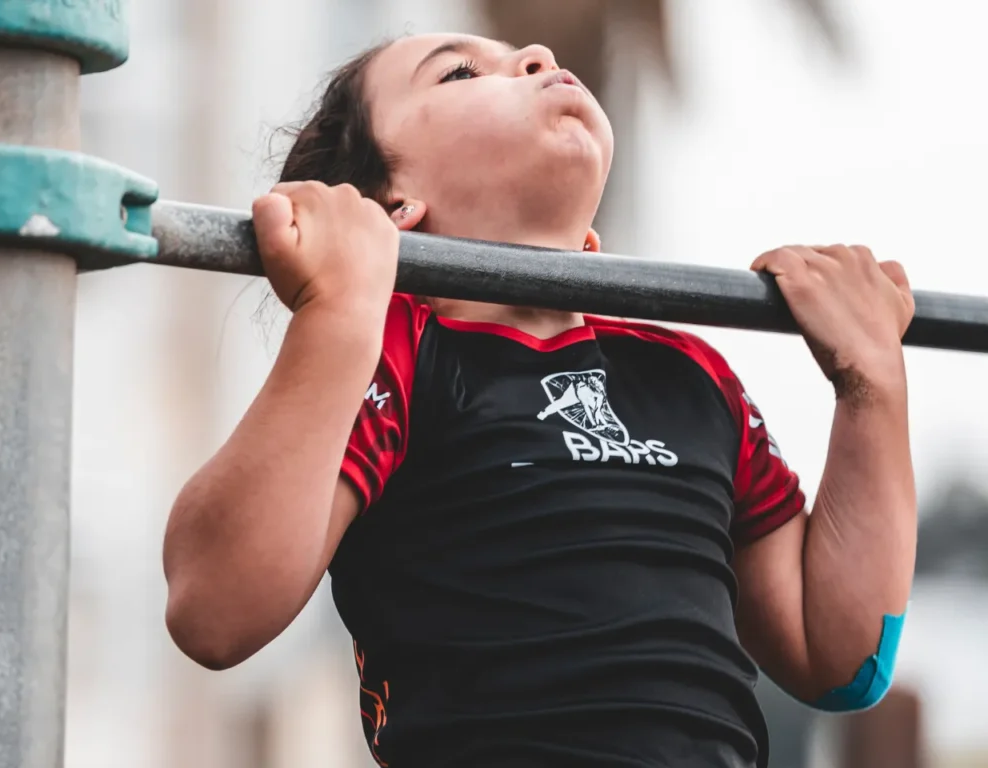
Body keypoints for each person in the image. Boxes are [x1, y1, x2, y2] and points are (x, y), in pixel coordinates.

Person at [161, 33, 917, 768]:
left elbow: (840, 661)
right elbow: (213, 612)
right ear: (391, 208)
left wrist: (872, 383)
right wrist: (341, 305)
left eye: (528, 57)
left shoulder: (690, 375)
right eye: (460, 73)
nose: (537, 57)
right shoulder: (395, 349)